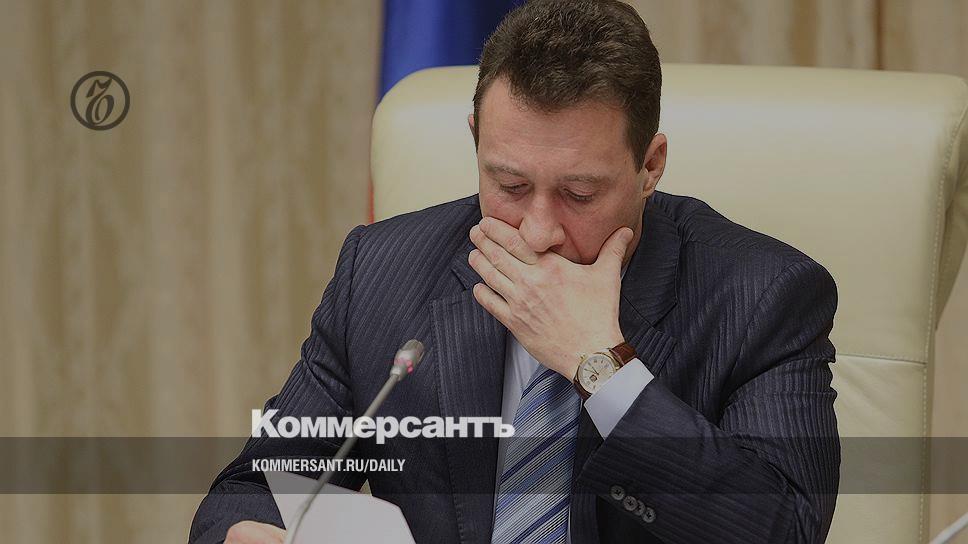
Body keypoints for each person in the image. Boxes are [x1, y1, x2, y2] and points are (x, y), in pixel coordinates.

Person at [190, 1, 840, 542]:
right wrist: (247, 532)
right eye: (509, 185)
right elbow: (252, 488)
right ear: (477, 139)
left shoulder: (763, 296)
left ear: (650, 166)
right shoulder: (381, 274)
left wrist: (601, 366)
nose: (537, 230)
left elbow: (785, 529)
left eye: (579, 194)